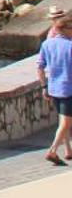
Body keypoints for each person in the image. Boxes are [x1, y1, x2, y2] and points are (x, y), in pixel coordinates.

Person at [41, 8, 72, 164]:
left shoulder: (47, 43)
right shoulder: (69, 45)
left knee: (63, 121)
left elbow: (40, 66)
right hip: (68, 88)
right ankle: (52, 151)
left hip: (54, 88)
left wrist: (44, 87)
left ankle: (68, 150)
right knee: (66, 122)